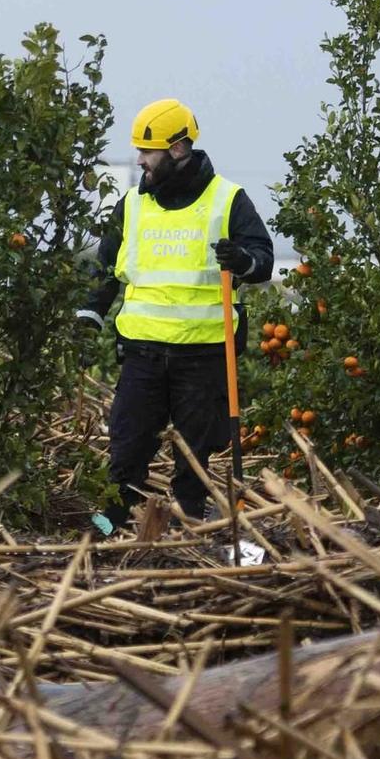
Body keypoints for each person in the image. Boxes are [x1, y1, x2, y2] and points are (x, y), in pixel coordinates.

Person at [78, 98, 273, 533]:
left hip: (203, 358)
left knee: (195, 458)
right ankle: (109, 525)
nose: (140, 160)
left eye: (148, 151)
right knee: (126, 448)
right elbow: (105, 267)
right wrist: (89, 312)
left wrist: (241, 260)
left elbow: (263, 260)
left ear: (179, 150)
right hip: (142, 356)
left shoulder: (229, 200)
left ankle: (190, 531)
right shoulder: (131, 205)